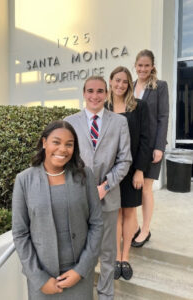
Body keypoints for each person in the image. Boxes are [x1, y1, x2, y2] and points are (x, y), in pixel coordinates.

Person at [12, 120, 103, 300]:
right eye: (56, 142)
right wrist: (39, 278)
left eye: (69, 144)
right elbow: (20, 233)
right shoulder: (24, 180)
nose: (63, 149)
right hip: (43, 279)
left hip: (79, 276)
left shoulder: (84, 175)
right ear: (44, 142)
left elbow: (97, 224)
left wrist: (81, 269)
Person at [65, 76, 132, 300]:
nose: (95, 96)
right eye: (91, 91)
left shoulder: (119, 122)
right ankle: (83, 293)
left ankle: (105, 294)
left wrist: (105, 185)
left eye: (100, 91)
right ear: (84, 93)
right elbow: (66, 159)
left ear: (107, 94)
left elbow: (125, 160)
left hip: (108, 196)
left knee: (107, 250)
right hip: (78, 197)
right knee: (81, 249)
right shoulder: (69, 122)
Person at [105, 66, 150, 280]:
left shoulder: (139, 107)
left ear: (129, 83)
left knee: (129, 213)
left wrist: (140, 170)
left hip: (132, 169)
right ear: (110, 81)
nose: (120, 85)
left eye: (125, 81)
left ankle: (125, 258)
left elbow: (145, 140)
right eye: (117, 80)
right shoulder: (103, 107)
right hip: (110, 171)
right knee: (114, 214)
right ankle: (115, 258)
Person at [131, 49, 169, 247]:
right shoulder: (129, 86)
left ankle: (145, 230)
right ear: (135, 66)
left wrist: (159, 146)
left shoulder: (160, 87)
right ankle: (135, 226)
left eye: (147, 65)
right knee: (132, 188)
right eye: (140, 65)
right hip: (133, 147)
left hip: (152, 146)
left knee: (146, 188)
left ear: (152, 66)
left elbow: (163, 117)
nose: (143, 69)